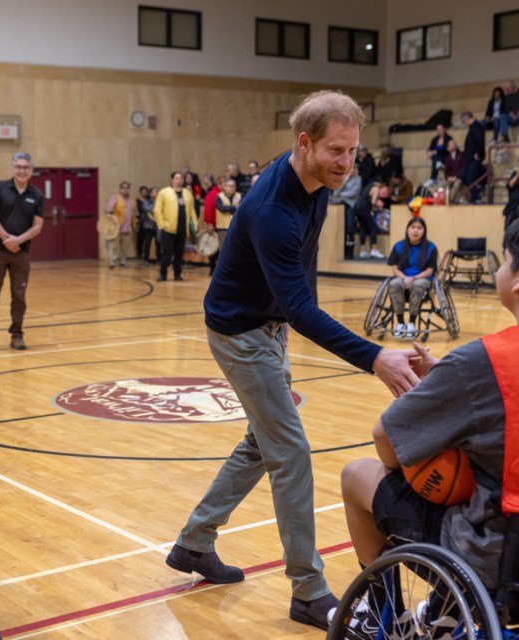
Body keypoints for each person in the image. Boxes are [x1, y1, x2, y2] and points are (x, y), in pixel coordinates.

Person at [164, 90, 420, 631]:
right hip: (238, 333)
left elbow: (301, 285)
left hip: (269, 327)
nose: (347, 163)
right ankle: (308, 590)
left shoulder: (316, 183)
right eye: (336, 151)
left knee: (263, 442)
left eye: (353, 151)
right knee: (291, 451)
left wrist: (286, 326)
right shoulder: (272, 210)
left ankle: (193, 543)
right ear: (303, 143)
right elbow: (303, 307)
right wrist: (374, 357)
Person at [338, 205, 519, 599]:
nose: (499, 270)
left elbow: (387, 444)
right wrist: (453, 385)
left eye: (505, 261)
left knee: (358, 474)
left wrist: (451, 401)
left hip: (507, 563)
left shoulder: (483, 360)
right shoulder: (477, 368)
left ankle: (379, 615)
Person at [0, 152, 45, 351]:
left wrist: (18, 240)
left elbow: (38, 226)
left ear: (32, 170)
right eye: (18, 166)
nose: (22, 170)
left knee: (19, 296)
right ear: (13, 168)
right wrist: (7, 238)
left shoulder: (38, 195)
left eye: (26, 167)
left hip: (22, 253)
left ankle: (17, 335)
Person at [386, 217, 438, 339]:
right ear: (407, 229)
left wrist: (413, 278)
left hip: (421, 279)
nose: (415, 231)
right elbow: (394, 269)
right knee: (394, 284)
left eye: (419, 228)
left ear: (424, 231)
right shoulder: (398, 246)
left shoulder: (431, 248)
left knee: (418, 284)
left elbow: (430, 270)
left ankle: (411, 323)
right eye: (413, 227)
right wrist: (405, 278)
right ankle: (400, 323)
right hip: (402, 277)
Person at [153, 171, 197, 282]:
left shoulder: (187, 193)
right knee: (167, 252)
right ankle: (163, 274)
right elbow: (157, 210)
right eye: (177, 178)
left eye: (181, 178)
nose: (180, 180)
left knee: (179, 253)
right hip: (168, 229)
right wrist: (162, 224)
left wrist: (194, 224)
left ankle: (177, 274)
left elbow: (192, 211)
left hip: (182, 229)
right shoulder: (164, 192)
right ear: (171, 180)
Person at [329, 165, 362, 260]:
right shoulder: (342, 178)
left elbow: (354, 192)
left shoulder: (358, 179)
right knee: (341, 227)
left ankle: (350, 250)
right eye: (349, 169)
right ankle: (343, 250)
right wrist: (345, 180)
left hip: (351, 205)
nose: (351, 171)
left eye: (353, 169)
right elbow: (335, 193)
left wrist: (341, 195)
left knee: (349, 227)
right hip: (340, 205)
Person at [104, 181, 138, 269]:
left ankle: (123, 261)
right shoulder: (115, 197)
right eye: (123, 188)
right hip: (116, 227)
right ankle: (111, 261)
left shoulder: (132, 199)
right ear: (120, 189)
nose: (125, 189)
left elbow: (135, 212)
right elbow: (108, 210)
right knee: (113, 244)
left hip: (128, 226)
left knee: (125, 246)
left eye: (127, 187)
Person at [211, 177, 240, 271]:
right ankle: (220, 270)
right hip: (222, 228)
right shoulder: (219, 196)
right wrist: (234, 207)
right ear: (225, 187)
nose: (233, 188)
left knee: (235, 250)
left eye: (234, 186)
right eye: (230, 186)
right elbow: (222, 208)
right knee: (223, 250)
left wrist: (230, 208)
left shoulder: (239, 195)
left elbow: (241, 208)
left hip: (236, 227)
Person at [459, 111, 487, 204]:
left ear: (467, 119)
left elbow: (480, 140)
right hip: (469, 158)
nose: (464, 123)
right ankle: (476, 191)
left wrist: (478, 153)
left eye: (464, 121)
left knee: (470, 177)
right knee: (463, 175)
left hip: (473, 158)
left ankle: (475, 197)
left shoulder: (476, 127)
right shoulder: (473, 128)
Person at [201, 174, 221, 275]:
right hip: (215, 224)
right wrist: (209, 222)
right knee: (213, 248)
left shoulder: (217, 193)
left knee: (218, 249)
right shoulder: (214, 193)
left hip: (220, 225)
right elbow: (208, 210)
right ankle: (213, 269)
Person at [136, 186, 158, 266]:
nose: (156, 193)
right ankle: (146, 259)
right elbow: (148, 210)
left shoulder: (159, 201)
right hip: (148, 225)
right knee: (147, 242)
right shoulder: (146, 201)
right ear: (150, 193)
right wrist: (156, 210)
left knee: (158, 242)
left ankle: (159, 259)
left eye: (157, 192)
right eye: (155, 191)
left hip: (158, 225)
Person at [442, 139, 466, 203]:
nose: (453, 145)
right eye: (451, 144)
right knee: (442, 185)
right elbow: (446, 171)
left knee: (456, 185)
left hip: (459, 177)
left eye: (454, 143)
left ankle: (450, 200)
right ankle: (441, 200)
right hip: (450, 178)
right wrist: (448, 178)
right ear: (448, 148)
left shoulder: (461, 155)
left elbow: (463, 168)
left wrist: (457, 177)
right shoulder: (447, 159)